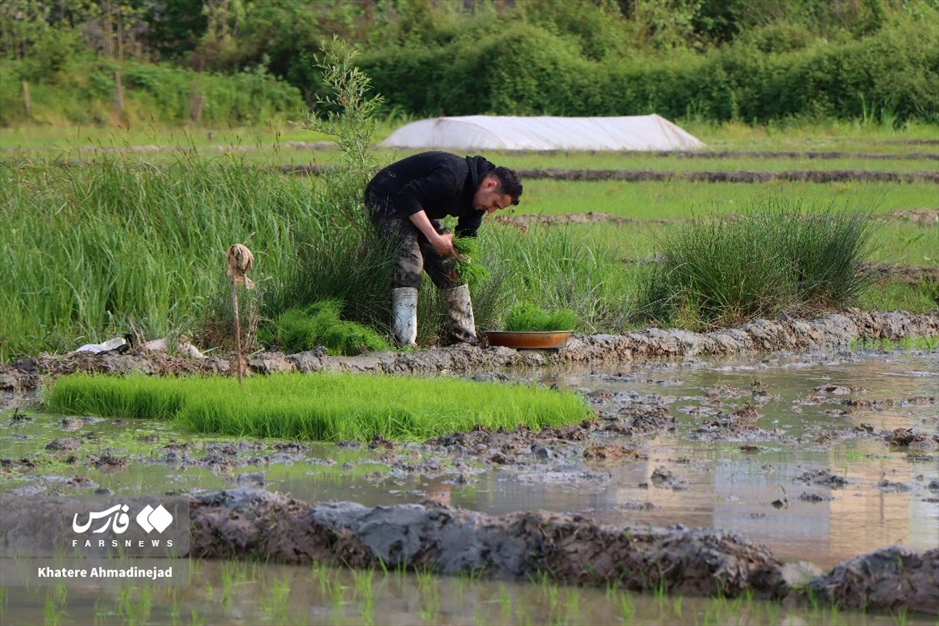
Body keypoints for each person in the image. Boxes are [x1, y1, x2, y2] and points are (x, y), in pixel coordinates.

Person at [364, 151, 522, 348]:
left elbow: (468, 232)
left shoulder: (477, 201)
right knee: (411, 262)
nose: (491, 211)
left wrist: (464, 261)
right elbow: (407, 196)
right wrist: (433, 237)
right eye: (495, 204)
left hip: (417, 206)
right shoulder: (452, 176)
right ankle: (404, 342)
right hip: (388, 197)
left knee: (450, 266)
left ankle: (466, 340)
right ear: (490, 185)